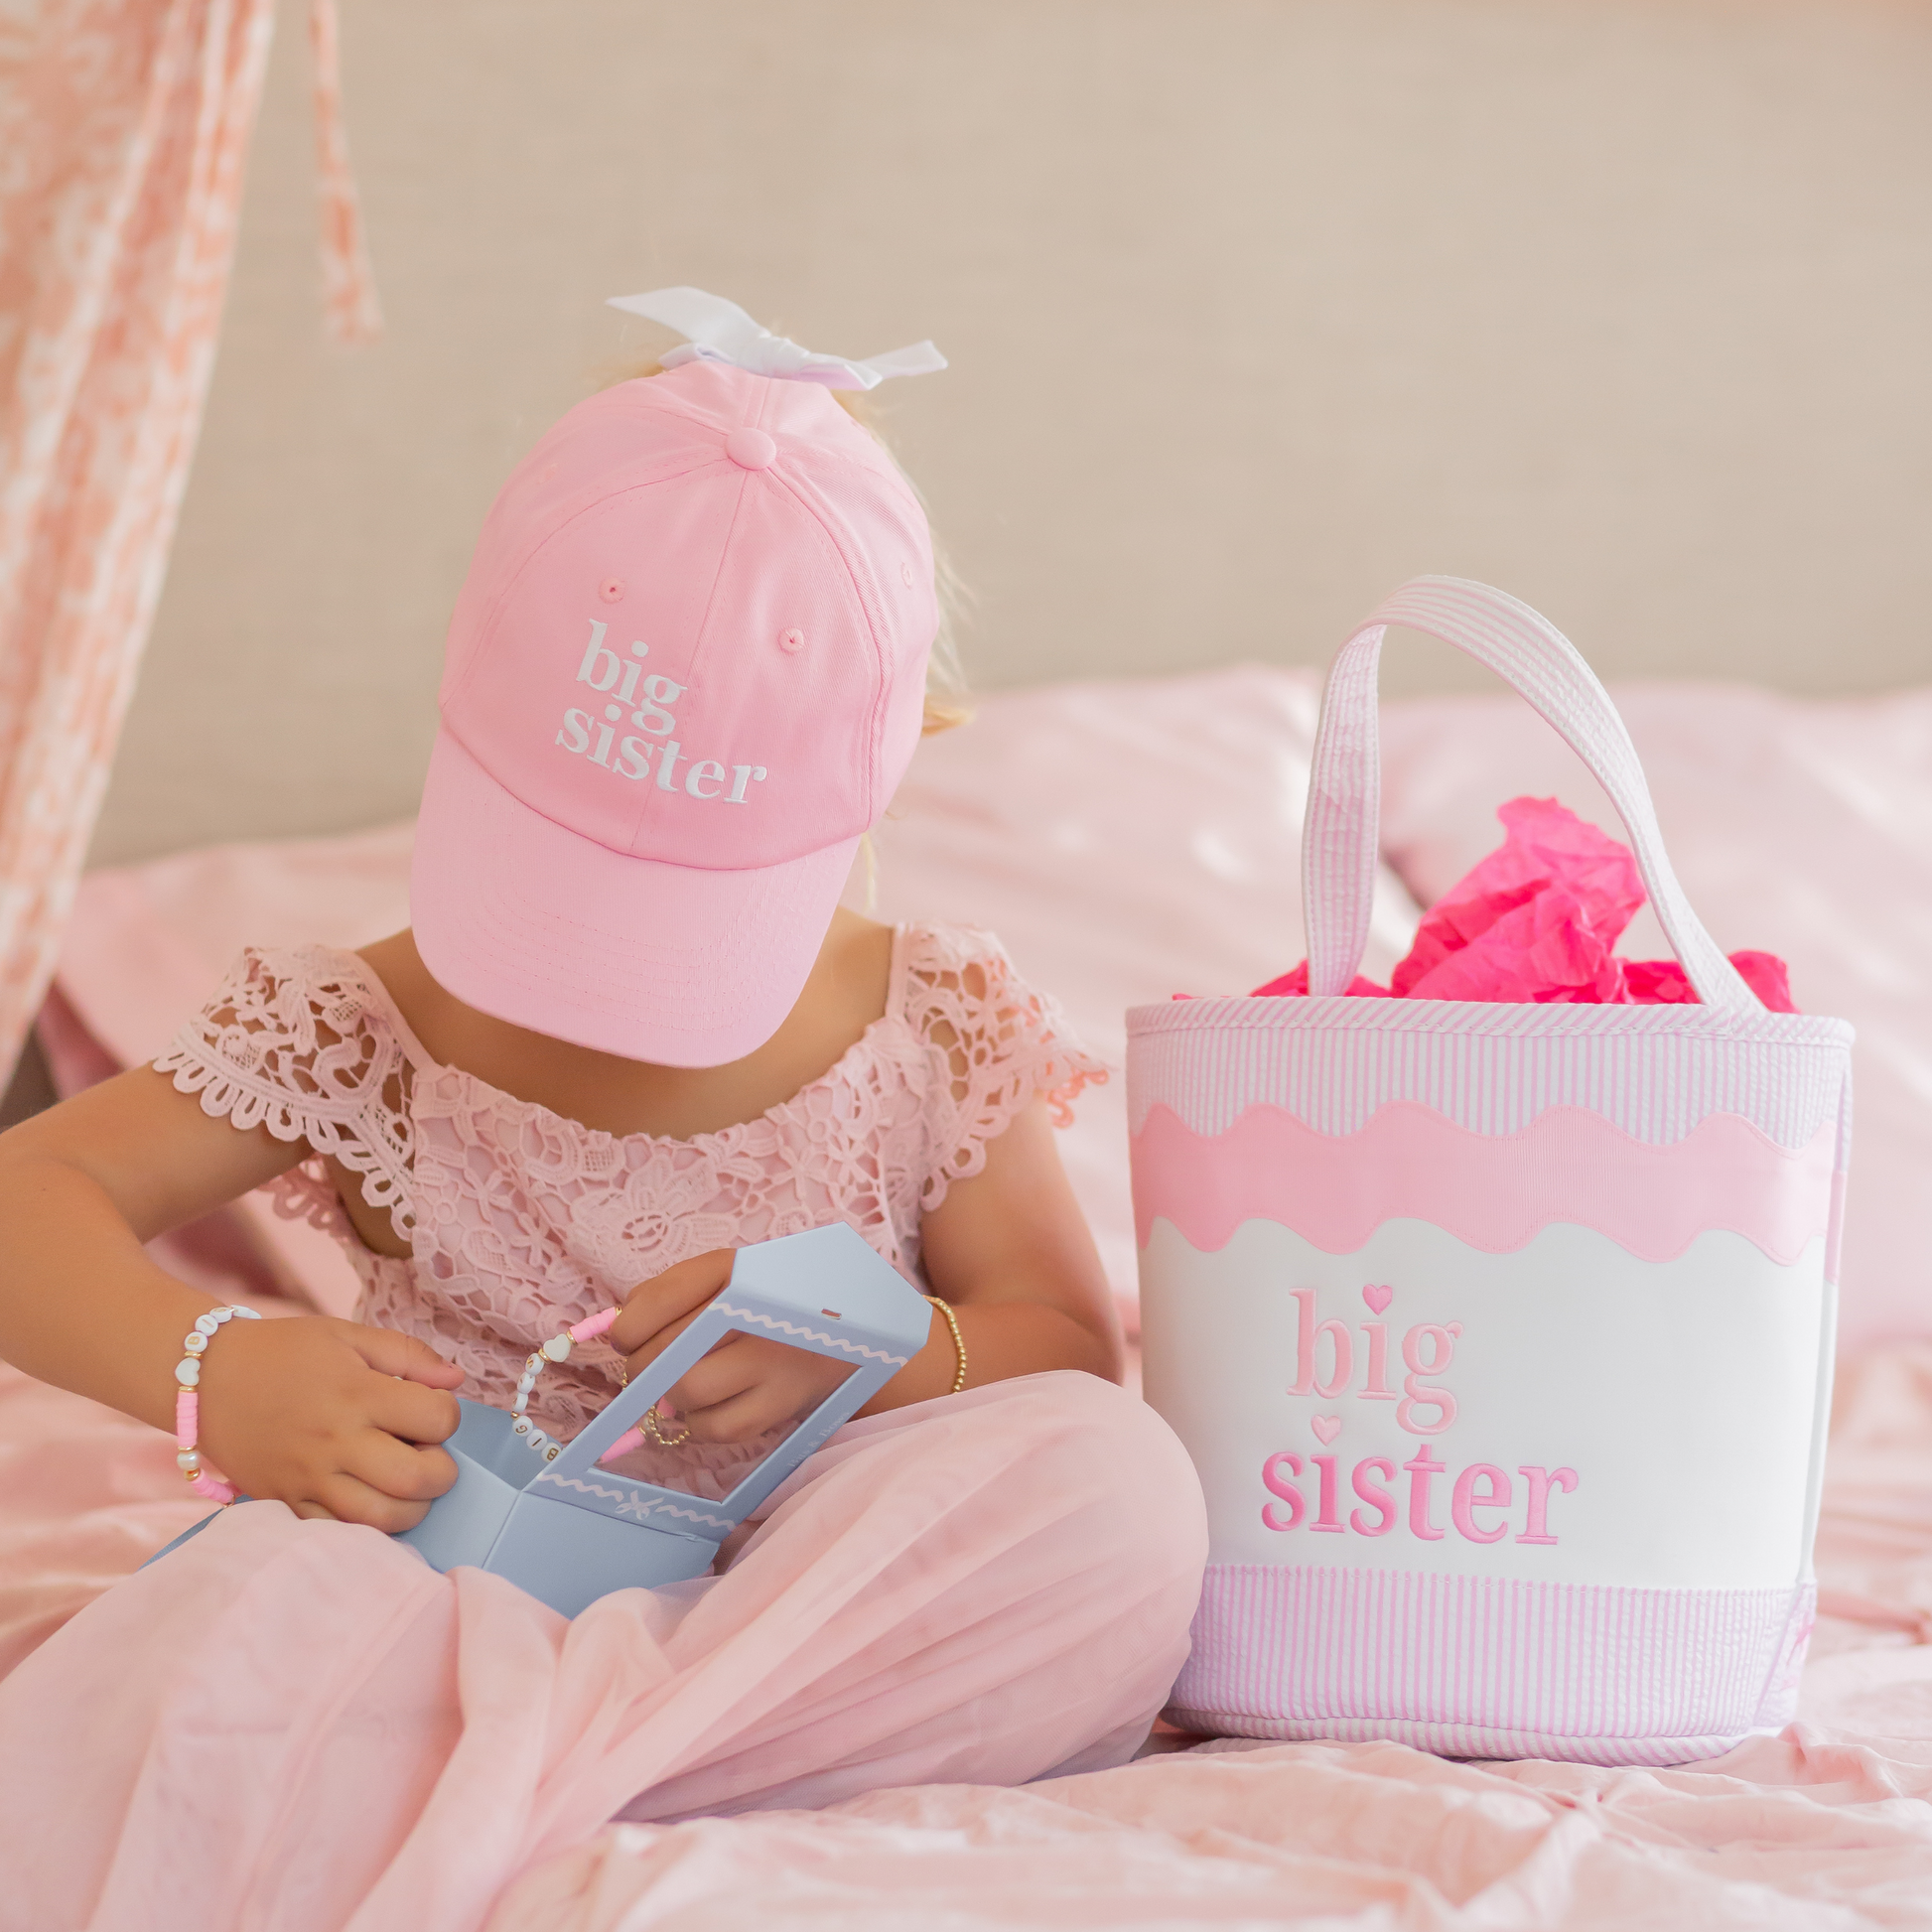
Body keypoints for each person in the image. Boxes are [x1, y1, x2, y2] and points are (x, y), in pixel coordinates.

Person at [0, 292, 1206, 1931]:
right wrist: (219, 1368)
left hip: (814, 1585)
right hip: (447, 1588)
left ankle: (524, 1771)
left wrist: (887, 1360)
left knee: (1112, 1485)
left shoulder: (931, 1012)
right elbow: (29, 1196)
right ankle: (602, 1757)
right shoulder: (366, 1024)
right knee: (235, 1630)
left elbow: (1062, 1335)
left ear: (897, 752)